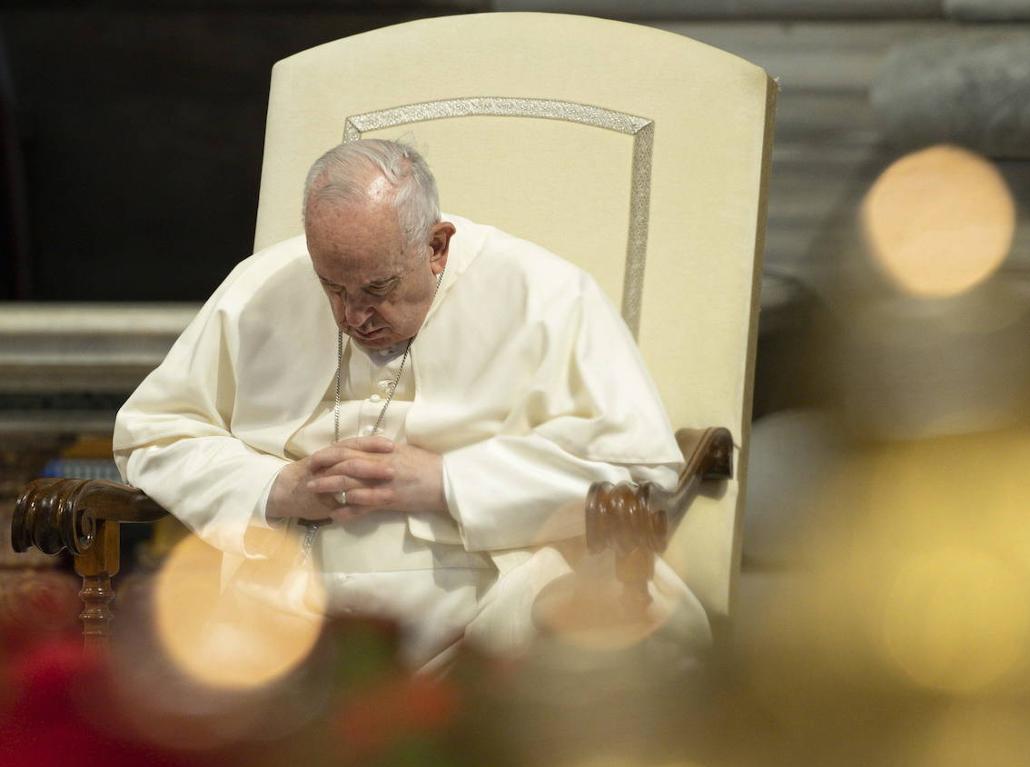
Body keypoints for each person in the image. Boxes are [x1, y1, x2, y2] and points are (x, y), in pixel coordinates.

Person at [113, 139, 708, 669]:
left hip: (485, 628)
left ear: (437, 247)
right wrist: (277, 488)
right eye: (332, 288)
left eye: (378, 288)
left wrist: (451, 481)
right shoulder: (261, 286)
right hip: (282, 616)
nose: (353, 317)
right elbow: (154, 433)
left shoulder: (546, 296)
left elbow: (639, 475)